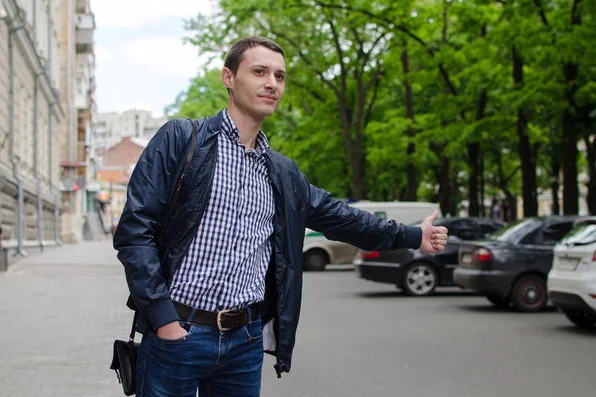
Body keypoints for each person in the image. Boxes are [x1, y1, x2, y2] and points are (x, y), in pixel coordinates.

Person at [113, 36, 449, 397]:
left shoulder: (282, 173)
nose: (272, 83)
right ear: (229, 77)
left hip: (244, 341)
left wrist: (413, 236)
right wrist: (162, 319)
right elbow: (135, 232)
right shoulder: (182, 140)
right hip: (178, 334)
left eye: (280, 76)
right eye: (259, 72)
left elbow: (342, 218)